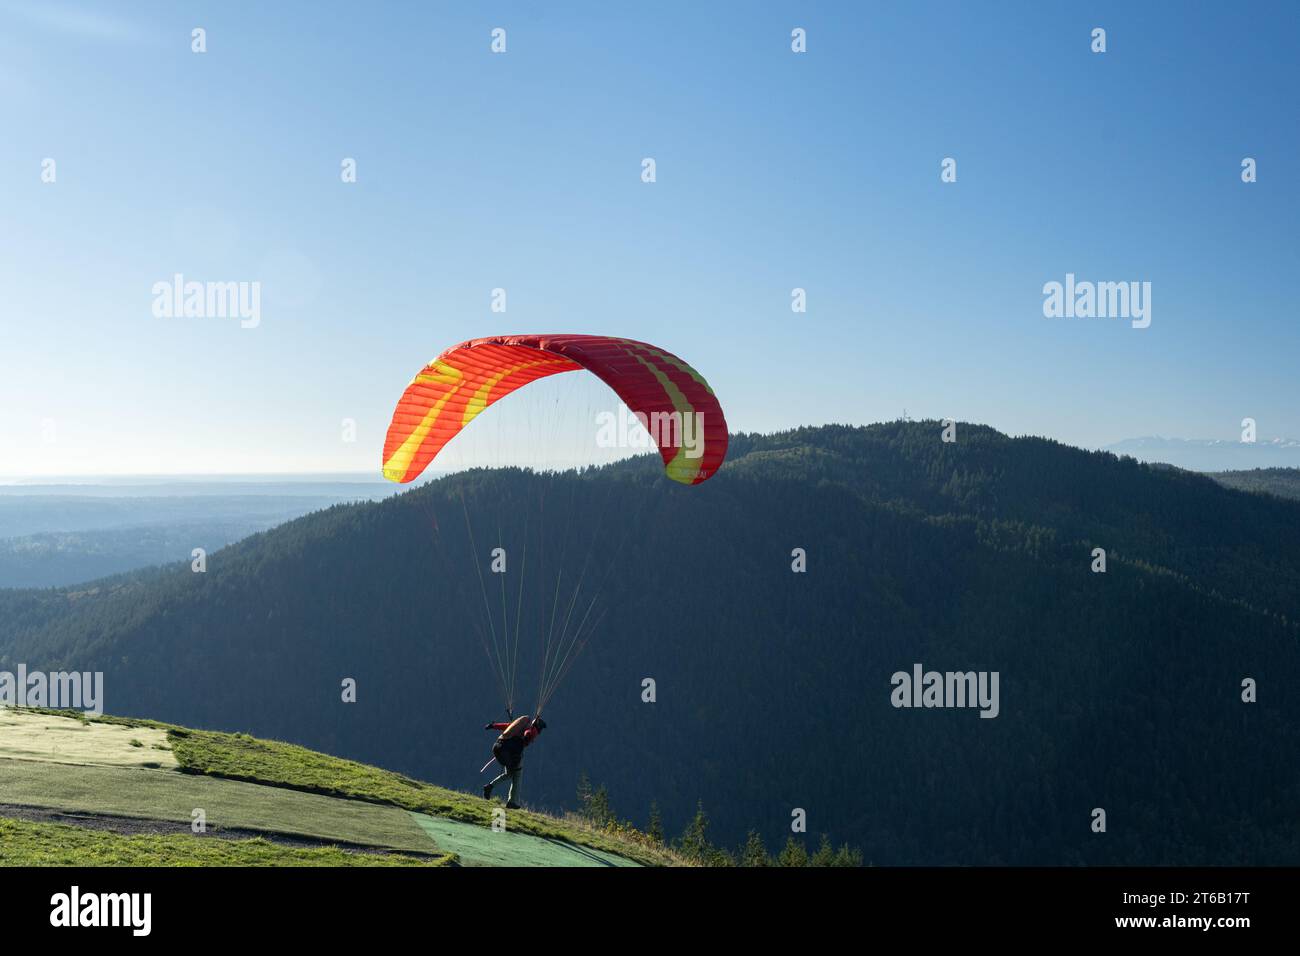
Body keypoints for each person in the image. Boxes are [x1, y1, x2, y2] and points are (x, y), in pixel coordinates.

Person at [482, 715, 546, 809]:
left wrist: (493, 726)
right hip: (508, 752)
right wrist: (527, 736)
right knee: (517, 774)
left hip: (498, 747)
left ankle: (490, 787)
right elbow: (527, 733)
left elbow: (507, 726)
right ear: (539, 727)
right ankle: (511, 801)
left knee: (510, 773)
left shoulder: (521, 724)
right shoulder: (532, 730)